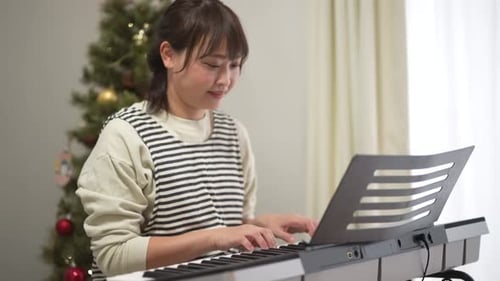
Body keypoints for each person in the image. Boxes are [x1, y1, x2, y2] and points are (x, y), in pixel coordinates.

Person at [76, 0, 317, 280]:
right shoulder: (126, 135)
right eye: (212, 64)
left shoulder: (233, 133)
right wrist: (213, 238)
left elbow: (227, 226)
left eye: (235, 65)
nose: (226, 80)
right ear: (168, 55)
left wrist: (261, 224)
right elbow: (114, 257)